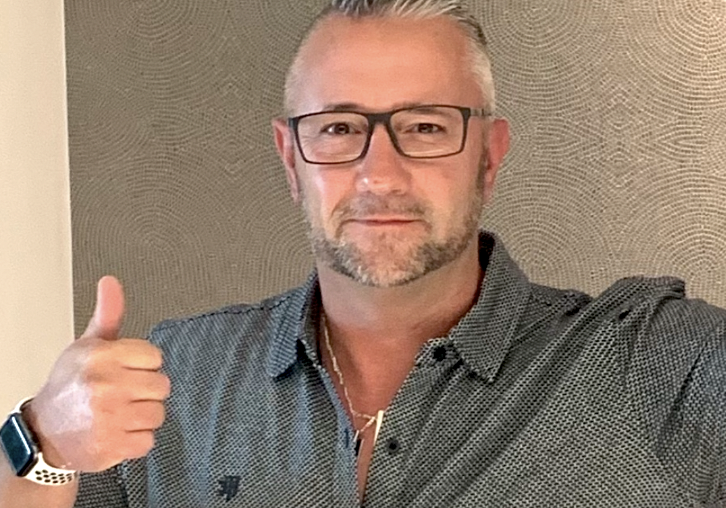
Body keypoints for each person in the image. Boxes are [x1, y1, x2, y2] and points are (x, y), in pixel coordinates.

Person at [1, 0, 724, 506]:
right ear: (292, 160)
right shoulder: (174, 381)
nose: (380, 174)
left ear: (489, 155)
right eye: (340, 129)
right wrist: (44, 441)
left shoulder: (654, 363)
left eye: (427, 126)